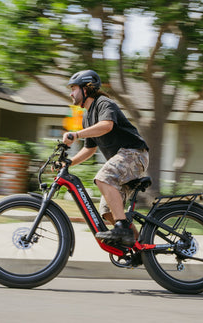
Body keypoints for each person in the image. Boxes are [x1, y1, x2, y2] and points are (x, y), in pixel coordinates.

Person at [62, 70, 149, 246]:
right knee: (108, 212)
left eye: (74, 88)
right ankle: (140, 246)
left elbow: (107, 125)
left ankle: (123, 228)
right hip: (124, 158)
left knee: (103, 178)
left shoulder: (104, 103)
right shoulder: (87, 117)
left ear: (86, 88)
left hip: (134, 154)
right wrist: (69, 163)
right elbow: (89, 149)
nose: (71, 93)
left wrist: (76, 135)